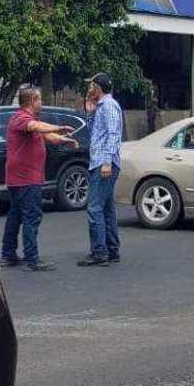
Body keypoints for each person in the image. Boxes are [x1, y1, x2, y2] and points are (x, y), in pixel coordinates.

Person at [0, 86, 77, 271]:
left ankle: (8, 255)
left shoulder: (28, 121)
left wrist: (65, 139)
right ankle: (32, 259)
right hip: (26, 179)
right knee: (31, 217)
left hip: (20, 178)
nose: (41, 102)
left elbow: (49, 137)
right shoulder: (22, 118)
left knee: (16, 215)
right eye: (40, 99)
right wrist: (59, 126)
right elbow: (36, 127)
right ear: (32, 101)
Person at [79, 72, 124, 267]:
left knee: (94, 207)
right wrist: (89, 112)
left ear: (98, 88)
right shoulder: (101, 107)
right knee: (106, 209)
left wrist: (106, 162)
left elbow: (113, 135)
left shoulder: (109, 106)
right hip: (99, 162)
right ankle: (111, 250)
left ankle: (99, 252)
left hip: (103, 164)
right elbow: (95, 133)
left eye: (91, 86)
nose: (89, 90)